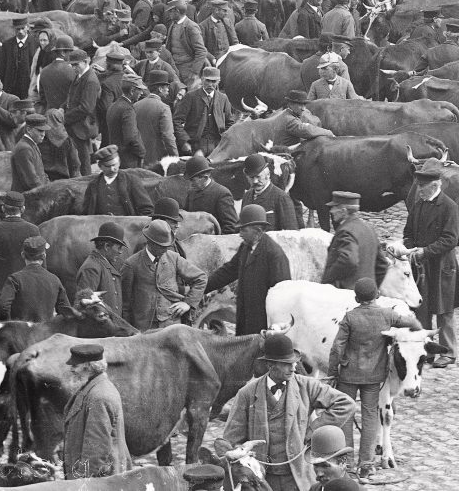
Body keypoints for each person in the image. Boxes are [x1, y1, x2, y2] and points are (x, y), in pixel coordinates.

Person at [220, 331, 356, 491]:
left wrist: (314, 430)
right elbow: (231, 438)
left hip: (298, 477)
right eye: (286, 363)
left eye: (294, 362)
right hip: (262, 479)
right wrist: (241, 453)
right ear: (270, 365)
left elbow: (346, 403)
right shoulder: (247, 393)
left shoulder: (307, 385)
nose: (293, 367)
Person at [329, 277, 421, 477]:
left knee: (346, 415)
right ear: (376, 295)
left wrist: (332, 372)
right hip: (373, 377)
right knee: (370, 416)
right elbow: (412, 321)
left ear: (356, 298)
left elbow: (337, 348)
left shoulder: (349, 318)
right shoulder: (387, 315)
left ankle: (347, 462)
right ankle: (367, 463)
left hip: (348, 375)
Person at [402, 158, 459, 367]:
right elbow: (408, 232)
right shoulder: (418, 205)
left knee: (444, 311)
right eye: (418, 186)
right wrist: (410, 247)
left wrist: (425, 251)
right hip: (421, 266)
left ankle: (448, 352)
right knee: (423, 309)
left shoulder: (449, 207)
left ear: (435, 186)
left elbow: (450, 239)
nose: (418, 191)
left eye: (422, 187)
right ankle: (426, 350)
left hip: (442, 266)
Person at [207, 204, 291, 335]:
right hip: (244, 316)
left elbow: (282, 294)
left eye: (243, 230)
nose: (239, 234)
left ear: (257, 231)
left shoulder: (274, 255)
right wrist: (203, 286)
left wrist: (275, 328)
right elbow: (228, 271)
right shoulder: (245, 247)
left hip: (263, 323)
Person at [121, 218, 205, 329]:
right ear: (150, 242)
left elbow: (201, 278)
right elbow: (125, 304)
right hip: (144, 329)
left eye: (167, 246)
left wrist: (188, 303)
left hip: (172, 325)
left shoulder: (173, 258)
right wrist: (129, 331)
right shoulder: (131, 264)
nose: (165, 250)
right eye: (161, 246)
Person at [61, 342, 130, 478]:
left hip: (100, 479)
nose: (71, 369)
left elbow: (96, 451)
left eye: (75, 365)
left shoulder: (99, 397)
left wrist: (80, 483)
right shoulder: (93, 387)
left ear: (88, 367)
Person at [321, 190, 390, 290]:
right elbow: (382, 265)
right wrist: (371, 290)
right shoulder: (369, 228)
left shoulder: (345, 231)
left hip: (346, 295)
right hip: (365, 296)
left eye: (334, 207)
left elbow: (349, 260)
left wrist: (328, 279)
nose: (331, 211)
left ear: (344, 211)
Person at [0, 235, 74, 323]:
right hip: (45, 334)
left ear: (23, 255)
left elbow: (2, 306)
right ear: (44, 256)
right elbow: (66, 311)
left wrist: (8, 326)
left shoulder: (14, 279)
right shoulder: (55, 280)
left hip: (20, 334)